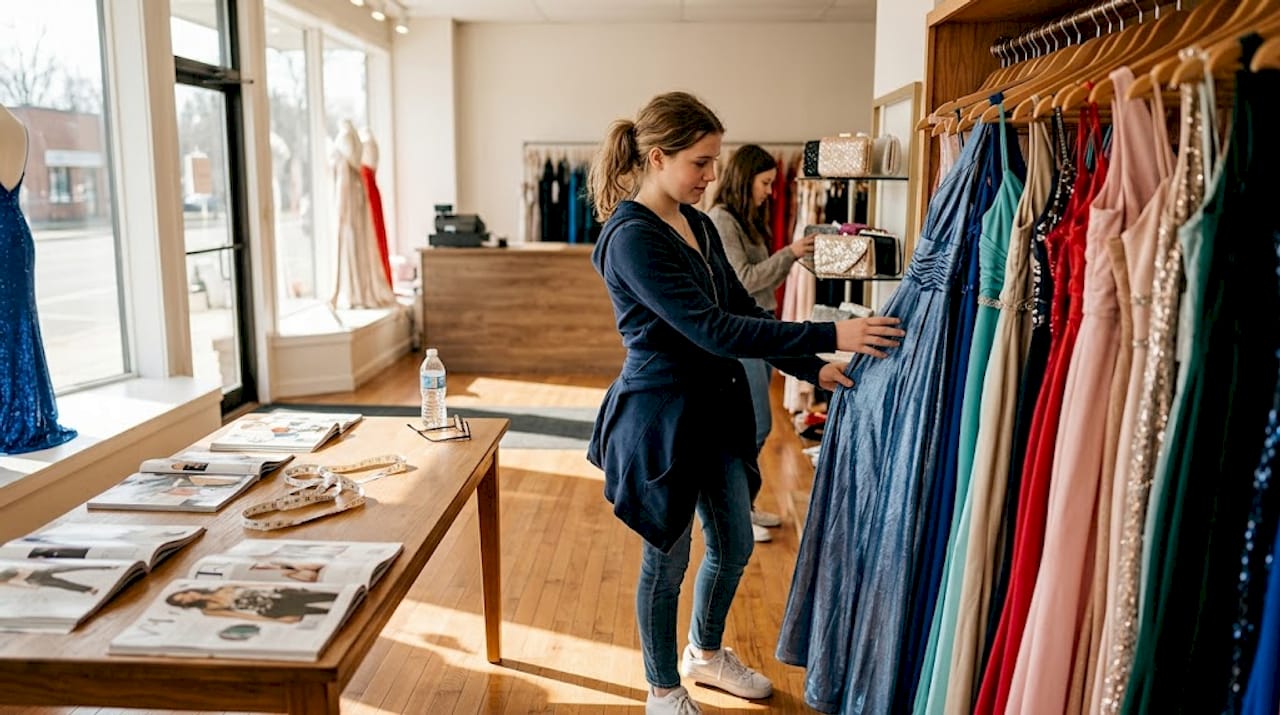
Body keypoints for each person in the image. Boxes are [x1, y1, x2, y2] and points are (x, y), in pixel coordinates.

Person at [586, 91, 904, 715]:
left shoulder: (698, 223)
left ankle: (703, 654)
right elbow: (713, 330)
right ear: (657, 157)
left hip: (716, 414)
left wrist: (812, 367)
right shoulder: (631, 238)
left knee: (732, 545)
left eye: (714, 162)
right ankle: (661, 689)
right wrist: (829, 334)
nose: (711, 176)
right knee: (667, 558)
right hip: (663, 424)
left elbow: (742, 311)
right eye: (701, 163)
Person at [708, 144, 816, 543]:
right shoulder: (721, 220)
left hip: (758, 330)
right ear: (745, 178)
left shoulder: (745, 220)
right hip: (742, 337)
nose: (772, 191)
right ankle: (734, 516)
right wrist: (790, 254)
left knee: (753, 428)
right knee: (752, 428)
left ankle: (743, 508)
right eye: (766, 183)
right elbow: (746, 280)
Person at [166, 584, 336, 623]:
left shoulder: (223, 588)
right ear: (185, 604)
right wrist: (277, 621)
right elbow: (241, 615)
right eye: (183, 600)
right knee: (324, 613)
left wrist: (281, 587)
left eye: (185, 593)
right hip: (274, 610)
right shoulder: (209, 611)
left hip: (280, 596)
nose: (188, 597)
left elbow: (256, 585)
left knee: (331, 597)